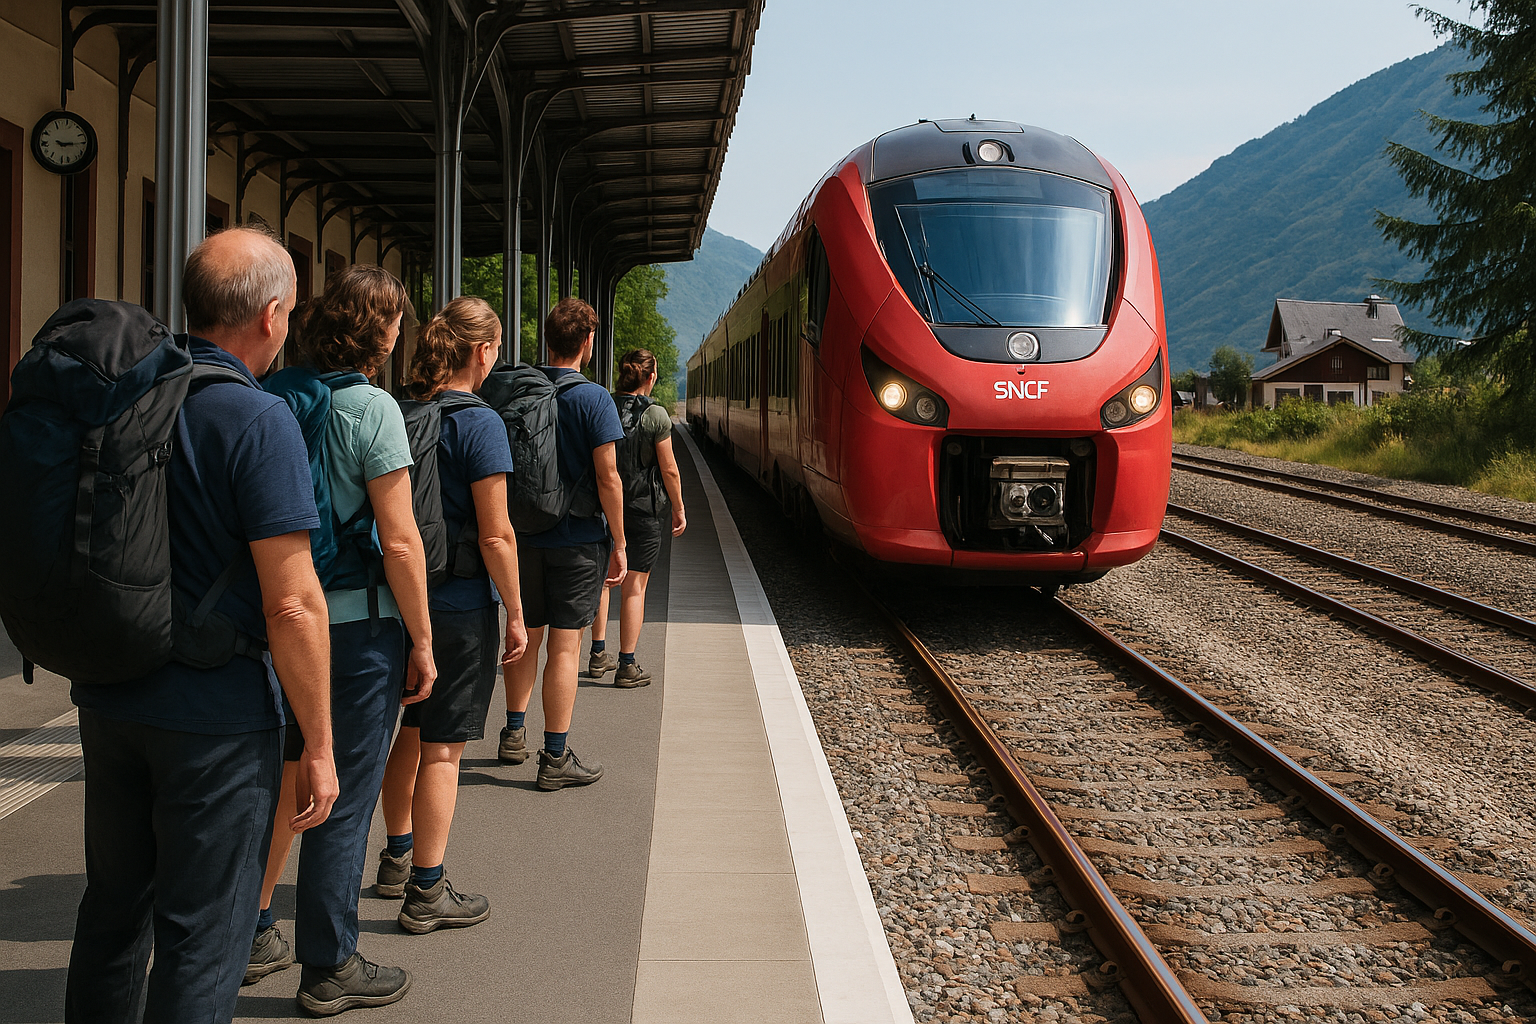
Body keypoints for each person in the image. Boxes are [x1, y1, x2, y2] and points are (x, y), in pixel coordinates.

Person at [65, 226, 339, 1023]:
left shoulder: (127, 397)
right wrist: (319, 748)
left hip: (112, 695)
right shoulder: (257, 420)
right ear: (273, 315)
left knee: (114, 913)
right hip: (215, 718)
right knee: (203, 934)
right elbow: (292, 602)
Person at [246, 265, 437, 1014]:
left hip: (274, 621)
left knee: (283, 780)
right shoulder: (374, 410)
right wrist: (422, 639)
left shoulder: (273, 398)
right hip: (355, 631)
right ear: (379, 332)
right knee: (342, 797)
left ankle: (257, 927)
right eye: (395, 323)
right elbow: (399, 542)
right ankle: (330, 965)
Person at [376, 295, 528, 931]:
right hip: (461, 606)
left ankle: (395, 856)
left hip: (400, 600)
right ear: (484, 351)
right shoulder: (481, 422)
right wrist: (516, 612)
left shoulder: (403, 412)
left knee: (406, 733)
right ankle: (428, 891)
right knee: (444, 749)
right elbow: (496, 535)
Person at [497, 297, 626, 789]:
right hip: (577, 538)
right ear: (588, 343)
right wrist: (619, 540)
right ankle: (554, 758)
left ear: (545, 341)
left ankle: (512, 732)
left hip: (524, 533)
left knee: (525, 634)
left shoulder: (516, 392)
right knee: (565, 648)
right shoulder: (593, 399)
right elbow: (608, 476)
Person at [586, 349, 686, 686]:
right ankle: (627, 664)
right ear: (650, 377)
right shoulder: (655, 415)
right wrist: (678, 507)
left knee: (604, 579)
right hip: (642, 512)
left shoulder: (601, 405)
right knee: (634, 587)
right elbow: (669, 469)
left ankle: (598, 654)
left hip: (600, 507)